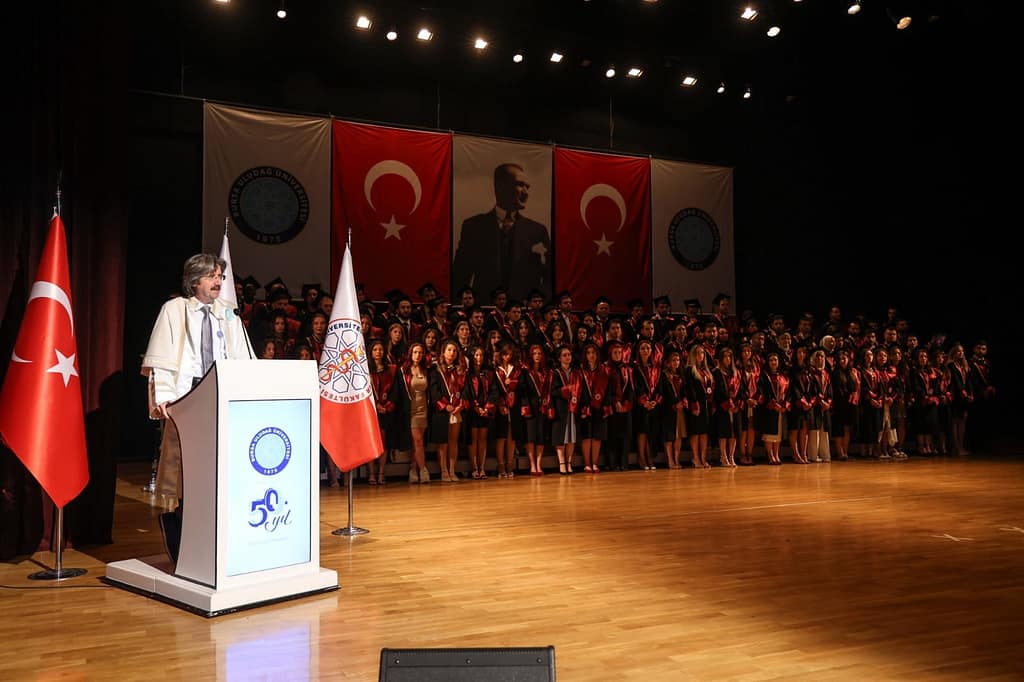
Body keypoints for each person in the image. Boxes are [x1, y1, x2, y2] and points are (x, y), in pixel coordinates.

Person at [142, 253, 255, 562]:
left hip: (222, 393)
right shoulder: (175, 309)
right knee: (187, 468)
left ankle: (219, 535)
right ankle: (183, 530)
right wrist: (164, 396)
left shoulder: (227, 313)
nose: (218, 281)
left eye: (220, 276)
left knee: (222, 466)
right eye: (211, 276)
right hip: (188, 395)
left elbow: (242, 356)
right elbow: (162, 358)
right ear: (194, 281)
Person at [452, 162, 551, 301]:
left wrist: (539, 304)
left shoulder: (537, 231)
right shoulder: (474, 227)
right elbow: (460, 275)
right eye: (520, 185)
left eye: (527, 187)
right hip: (485, 307)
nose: (526, 192)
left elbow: (548, 277)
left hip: (522, 309)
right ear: (500, 186)